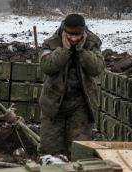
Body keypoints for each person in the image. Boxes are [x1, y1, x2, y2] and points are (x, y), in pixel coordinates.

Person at [39, 13, 105, 158]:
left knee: (80, 153)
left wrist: (82, 51)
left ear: (83, 32)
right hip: (54, 105)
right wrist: (65, 50)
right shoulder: (51, 43)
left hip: (81, 105)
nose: (74, 39)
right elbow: (47, 66)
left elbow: (97, 69)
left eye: (78, 35)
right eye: (70, 35)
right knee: (51, 154)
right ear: (64, 31)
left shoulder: (92, 43)